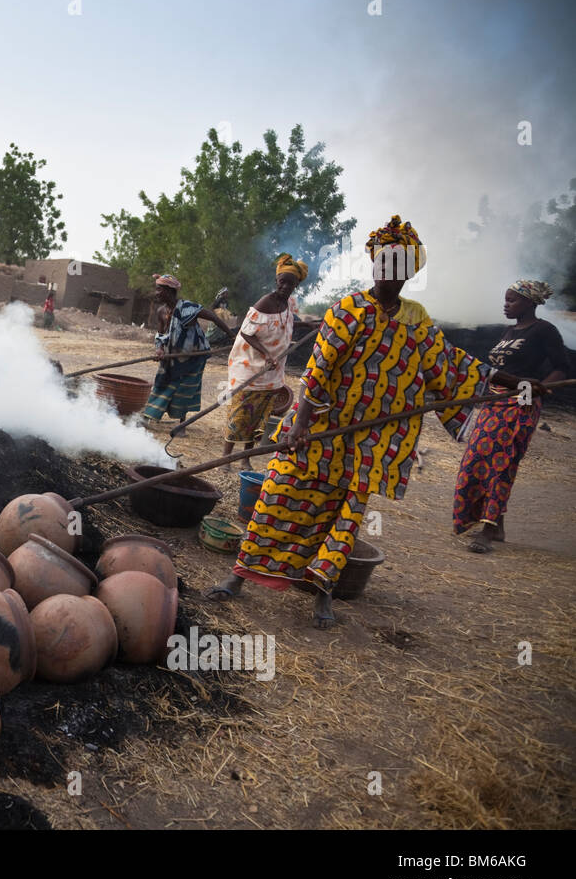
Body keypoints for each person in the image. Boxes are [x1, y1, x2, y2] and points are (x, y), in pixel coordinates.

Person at [203, 216, 541, 628]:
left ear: (408, 273)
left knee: (344, 520)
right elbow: (318, 371)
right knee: (278, 497)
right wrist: (299, 425)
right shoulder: (348, 310)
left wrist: (519, 382)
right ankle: (239, 576)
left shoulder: (417, 321)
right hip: (321, 430)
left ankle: (323, 593)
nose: (388, 272)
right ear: (375, 264)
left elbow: (454, 365)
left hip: (370, 445)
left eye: (398, 266)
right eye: (383, 262)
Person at [453, 280, 568, 552]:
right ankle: (495, 523)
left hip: (520, 404)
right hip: (493, 402)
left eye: (512, 300)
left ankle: (489, 529)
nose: (506, 304)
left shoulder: (544, 330)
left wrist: (534, 392)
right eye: (505, 299)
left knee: (502, 463)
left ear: (529, 302)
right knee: (476, 459)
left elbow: (561, 368)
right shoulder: (508, 331)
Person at [221, 255, 304, 470]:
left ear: (297, 284)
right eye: (282, 281)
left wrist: (313, 326)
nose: (285, 286)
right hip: (250, 369)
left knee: (258, 419)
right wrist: (267, 355)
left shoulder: (289, 304)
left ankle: (245, 459)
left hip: (272, 373)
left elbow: (290, 324)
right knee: (239, 415)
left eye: (290, 283)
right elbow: (247, 333)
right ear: (276, 281)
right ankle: (225, 459)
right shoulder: (265, 302)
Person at [141, 274, 234, 429]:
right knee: (161, 383)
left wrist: (232, 336)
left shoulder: (188, 308)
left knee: (184, 388)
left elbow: (214, 318)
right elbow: (161, 334)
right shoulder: (161, 311)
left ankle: (181, 425)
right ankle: (147, 418)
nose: (156, 293)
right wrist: (159, 350)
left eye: (159, 290)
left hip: (194, 357)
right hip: (172, 356)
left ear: (170, 291)